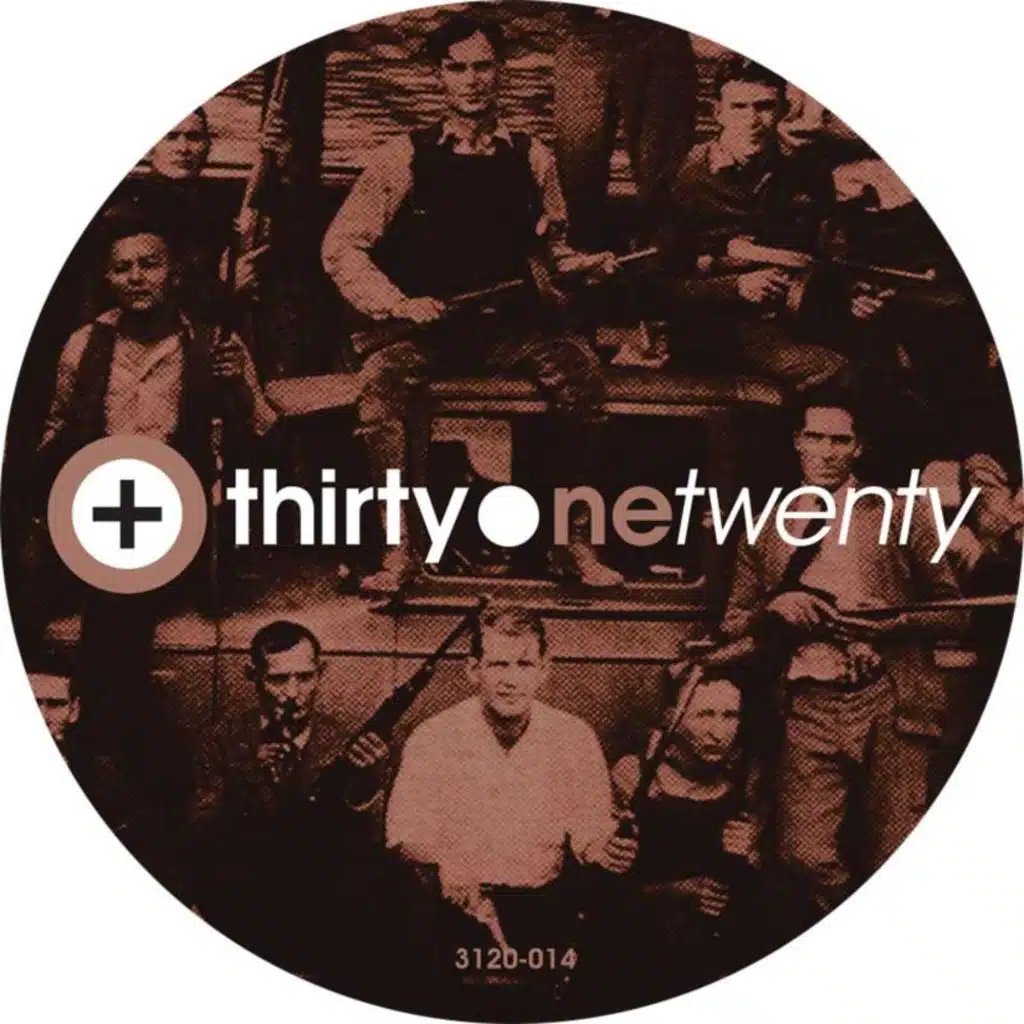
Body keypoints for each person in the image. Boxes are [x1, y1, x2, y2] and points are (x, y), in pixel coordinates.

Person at [321, 13, 624, 592]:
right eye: (457, 68)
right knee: (380, 389)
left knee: (583, 376)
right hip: (427, 332)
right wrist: (398, 303)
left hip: (514, 332)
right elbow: (342, 247)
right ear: (438, 76)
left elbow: (553, 253)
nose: (472, 80)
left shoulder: (533, 157)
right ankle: (399, 551)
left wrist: (584, 266)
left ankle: (573, 545)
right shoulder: (401, 158)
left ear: (501, 70)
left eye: (483, 66)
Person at [721, 387, 967, 913]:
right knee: (801, 856)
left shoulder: (900, 514)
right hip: (806, 705)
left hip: (888, 700)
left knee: (895, 852)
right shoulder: (763, 525)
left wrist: (891, 623)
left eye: (840, 440)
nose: (827, 452)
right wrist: (776, 607)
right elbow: (734, 625)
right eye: (816, 437)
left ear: (859, 447)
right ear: (797, 441)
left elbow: (956, 611)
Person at [385, 602, 637, 1015]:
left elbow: (591, 834)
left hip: (544, 909)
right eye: (498, 664)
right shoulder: (433, 737)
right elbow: (403, 835)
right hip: (457, 913)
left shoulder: (573, 737)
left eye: (524, 664)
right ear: (473, 670)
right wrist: (446, 862)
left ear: (544, 669)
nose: (510, 680)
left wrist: (607, 850)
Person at [189, 621, 397, 993]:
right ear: (252, 676)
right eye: (278, 679)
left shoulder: (346, 743)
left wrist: (366, 786)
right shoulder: (222, 742)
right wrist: (249, 778)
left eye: (305, 677)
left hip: (322, 910)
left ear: (321, 672)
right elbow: (202, 833)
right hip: (245, 907)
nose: (293, 693)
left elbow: (369, 848)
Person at [657, 58, 849, 392]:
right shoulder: (684, 176)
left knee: (885, 355)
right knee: (836, 371)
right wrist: (735, 287)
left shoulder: (807, 171)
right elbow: (655, 285)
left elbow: (829, 255)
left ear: (782, 111)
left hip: (797, 316)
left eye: (764, 107)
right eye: (739, 107)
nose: (752, 121)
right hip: (715, 325)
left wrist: (858, 294)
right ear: (717, 112)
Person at [607, 668, 794, 1001]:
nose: (717, 732)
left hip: (719, 935)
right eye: (704, 715)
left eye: (729, 716)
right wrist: (675, 892)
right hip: (647, 929)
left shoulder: (743, 783)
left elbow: (758, 882)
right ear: (673, 718)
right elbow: (606, 882)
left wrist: (751, 852)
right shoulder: (635, 777)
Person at [552, 6, 699, 249]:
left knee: (663, 167)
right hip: (583, 30)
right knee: (577, 167)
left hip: (659, 30)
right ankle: (584, 255)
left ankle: (659, 256)